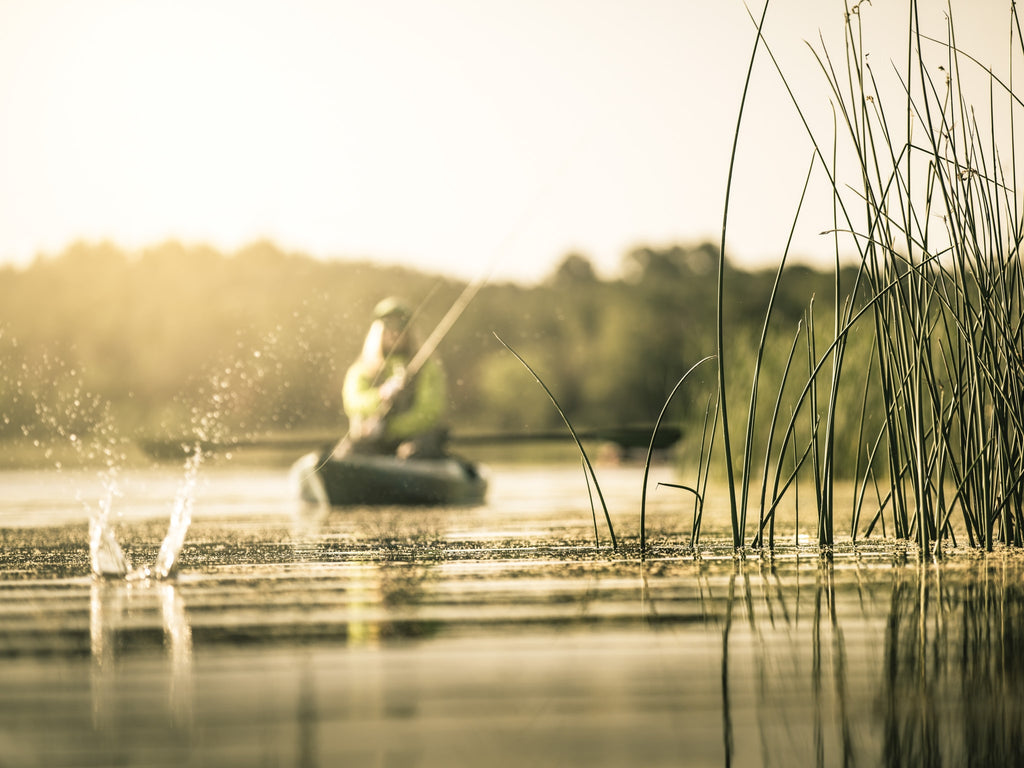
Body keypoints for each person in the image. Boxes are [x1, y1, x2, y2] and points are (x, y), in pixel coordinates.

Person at [336, 297, 448, 459]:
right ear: (377, 331)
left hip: (414, 441)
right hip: (370, 439)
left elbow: (429, 411)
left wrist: (390, 429)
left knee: (414, 450)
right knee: (348, 451)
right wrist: (380, 395)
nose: (394, 332)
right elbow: (353, 402)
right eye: (388, 326)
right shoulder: (361, 370)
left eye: (401, 326)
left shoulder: (427, 369)